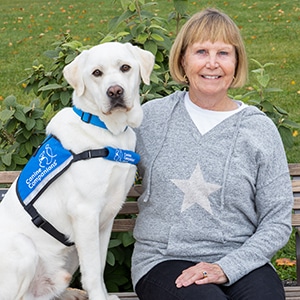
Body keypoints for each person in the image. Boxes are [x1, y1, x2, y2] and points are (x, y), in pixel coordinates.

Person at [131, 8, 293, 300]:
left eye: (223, 53)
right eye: (201, 52)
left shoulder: (259, 129)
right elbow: (98, 157)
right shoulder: (151, 119)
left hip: (241, 259)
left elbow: (277, 220)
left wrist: (226, 267)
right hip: (163, 260)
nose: (212, 64)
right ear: (183, 59)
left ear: (236, 62)